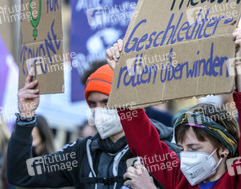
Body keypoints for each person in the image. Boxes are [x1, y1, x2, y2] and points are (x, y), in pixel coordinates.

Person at [106, 28, 241, 189]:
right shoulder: (180, 180)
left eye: (194, 148)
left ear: (223, 149)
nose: (186, 157)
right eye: (182, 149)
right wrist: (123, 79)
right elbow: (144, 141)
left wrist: (240, 63)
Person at [7, 64, 176, 188]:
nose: (99, 110)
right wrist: (25, 118)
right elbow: (21, 173)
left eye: (106, 102)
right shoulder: (80, 153)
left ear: (127, 102)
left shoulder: (161, 152)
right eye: (93, 104)